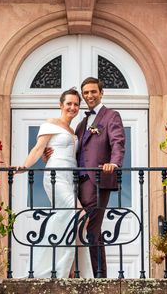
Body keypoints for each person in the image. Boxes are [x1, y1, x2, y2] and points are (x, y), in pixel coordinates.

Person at [15, 88, 93, 278]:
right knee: (82, 216)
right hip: (56, 176)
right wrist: (25, 165)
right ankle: (64, 268)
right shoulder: (51, 123)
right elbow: (39, 147)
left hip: (70, 178)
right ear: (61, 105)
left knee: (65, 220)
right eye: (69, 103)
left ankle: (70, 269)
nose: (72, 107)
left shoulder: (73, 131)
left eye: (76, 104)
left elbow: (62, 151)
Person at [75, 77, 126, 278]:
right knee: (82, 229)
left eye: (93, 91)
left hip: (98, 180)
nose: (89, 96)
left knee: (92, 229)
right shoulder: (82, 123)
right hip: (78, 183)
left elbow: (118, 142)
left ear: (101, 92)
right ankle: (83, 273)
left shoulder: (111, 116)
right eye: (85, 93)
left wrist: (114, 163)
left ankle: (100, 277)